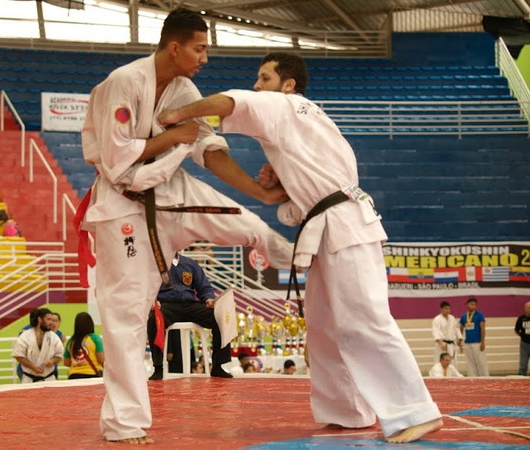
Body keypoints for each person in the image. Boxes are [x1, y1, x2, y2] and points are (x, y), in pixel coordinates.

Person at [158, 52, 444, 443]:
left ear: (288, 84)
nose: (258, 85)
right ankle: (346, 410)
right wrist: (281, 182)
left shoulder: (284, 105)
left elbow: (230, 101)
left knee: (364, 317)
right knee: (324, 326)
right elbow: (302, 198)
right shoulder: (309, 123)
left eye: (265, 78)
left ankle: (415, 411)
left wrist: (175, 114)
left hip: (346, 225)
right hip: (329, 225)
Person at [77, 8, 293, 444]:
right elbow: (118, 162)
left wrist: (260, 191)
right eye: (199, 48)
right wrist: (175, 137)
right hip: (122, 204)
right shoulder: (124, 82)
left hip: (172, 189)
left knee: (249, 224)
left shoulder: (183, 89)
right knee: (126, 316)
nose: (205, 58)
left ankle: (302, 257)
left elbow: (208, 148)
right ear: (174, 47)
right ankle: (124, 422)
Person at [147, 252, 232, 380]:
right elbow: (147, 287)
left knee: (220, 317)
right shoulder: (154, 264)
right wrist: (151, 299)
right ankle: (158, 367)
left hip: (189, 304)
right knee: (154, 319)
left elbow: (204, 287)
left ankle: (218, 366)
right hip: (167, 305)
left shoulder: (190, 264)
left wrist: (209, 298)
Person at [12, 307, 63, 383]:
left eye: (52, 320)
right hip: (29, 379)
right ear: (40, 319)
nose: (51, 323)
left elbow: (60, 355)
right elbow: (18, 356)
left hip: (49, 378)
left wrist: (52, 361)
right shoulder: (25, 336)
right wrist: (32, 367)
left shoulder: (54, 337)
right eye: (48, 319)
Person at [64, 312, 104, 379]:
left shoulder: (71, 341)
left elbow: (66, 363)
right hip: (92, 374)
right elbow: (101, 359)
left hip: (74, 375)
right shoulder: (95, 338)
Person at [459, 297, 489, 377]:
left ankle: (485, 378)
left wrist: (483, 342)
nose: (473, 306)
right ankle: (472, 378)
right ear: (467, 305)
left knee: (481, 362)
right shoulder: (464, 316)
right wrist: (460, 341)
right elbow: (460, 329)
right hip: (468, 343)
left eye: (475, 305)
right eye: (471, 304)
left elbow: (482, 329)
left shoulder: (479, 315)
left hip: (477, 342)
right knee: (470, 363)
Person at [514, 301, 530, 376]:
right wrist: (522, 336)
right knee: (523, 364)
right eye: (528, 308)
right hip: (524, 343)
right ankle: (521, 378)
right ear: (525, 309)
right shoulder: (521, 318)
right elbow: (516, 330)